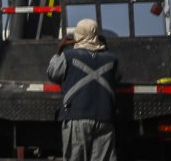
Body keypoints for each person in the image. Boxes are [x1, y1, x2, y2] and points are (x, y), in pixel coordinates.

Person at [46, 18, 121, 161]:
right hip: (105, 117)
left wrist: (58, 50)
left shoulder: (68, 56)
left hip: (76, 118)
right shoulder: (112, 59)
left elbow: (52, 73)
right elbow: (117, 78)